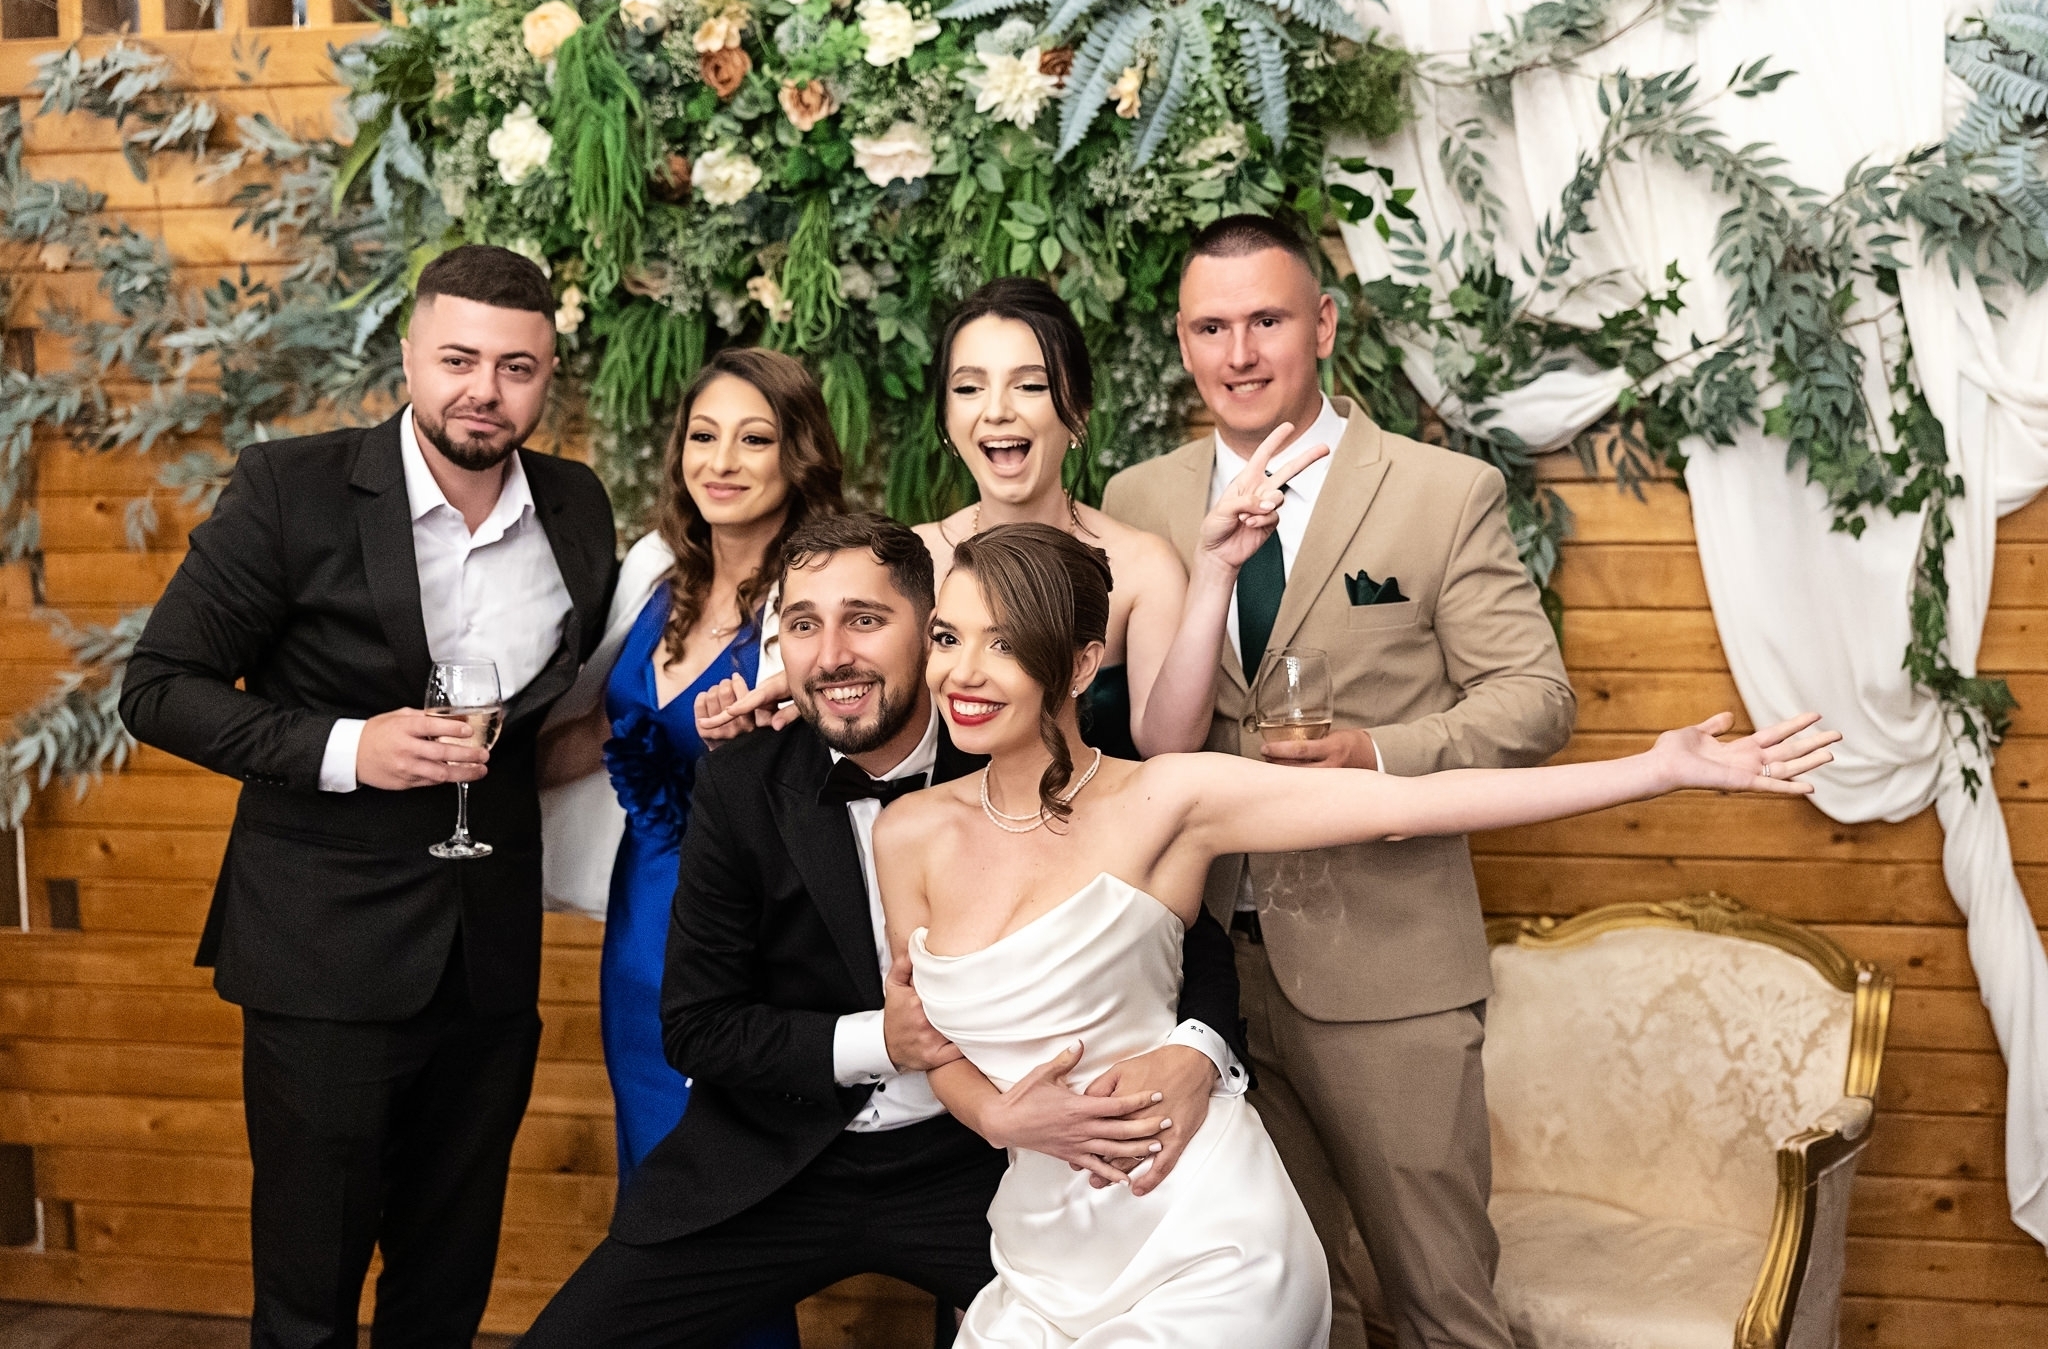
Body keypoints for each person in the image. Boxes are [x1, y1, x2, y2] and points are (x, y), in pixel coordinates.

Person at [874, 522, 1837, 1349]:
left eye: (1004, 644)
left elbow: (1409, 804)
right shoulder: (906, 834)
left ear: (1083, 664)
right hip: (1040, 1261)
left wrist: (1656, 769)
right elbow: (926, 1038)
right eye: (948, 636)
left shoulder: (1166, 799)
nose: (962, 672)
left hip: (1204, 1241)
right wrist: (999, 1118)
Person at [517, 513, 1251, 1349]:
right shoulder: (741, 784)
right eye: (803, 625)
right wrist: (883, 1040)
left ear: (931, 633)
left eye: (864, 619)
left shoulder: (1016, 752)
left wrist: (1198, 1053)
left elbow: (1188, 939)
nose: (832, 654)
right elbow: (697, 1026)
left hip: (983, 1161)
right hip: (772, 1164)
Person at [118, 245, 618, 1349]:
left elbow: (542, 717)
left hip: (488, 958)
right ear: (408, 358)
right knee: (310, 1295)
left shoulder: (578, 507)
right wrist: (352, 747)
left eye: (517, 368)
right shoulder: (290, 489)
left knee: (446, 1284)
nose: (484, 390)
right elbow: (157, 690)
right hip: (322, 954)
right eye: (458, 360)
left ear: (549, 377)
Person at [1101, 212, 1580, 1349]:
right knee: (1274, 1308)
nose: (1238, 354)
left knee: (1437, 1303)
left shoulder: (1440, 491)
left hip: (1386, 968)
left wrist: (1376, 754)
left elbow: (1535, 699)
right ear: (1182, 343)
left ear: (1321, 324)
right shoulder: (1139, 501)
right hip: (1200, 977)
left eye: (1265, 320)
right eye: (1209, 328)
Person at [538, 348, 844, 1179]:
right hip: (640, 918)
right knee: (649, 1155)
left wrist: (756, 755)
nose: (721, 461)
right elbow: (600, 727)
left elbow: (849, 765)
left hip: (751, 925)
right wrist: (477, 769)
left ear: (798, 454)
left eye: (754, 438)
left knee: (724, 1170)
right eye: (703, 436)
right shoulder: (653, 570)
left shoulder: (824, 593)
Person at [911, 278, 1218, 760]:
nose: (997, 411)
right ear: (947, 417)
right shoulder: (914, 561)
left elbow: (1170, 748)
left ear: (1077, 409)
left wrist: (1218, 570)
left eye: (1030, 386)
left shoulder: (1142, 567)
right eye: (969, 388)